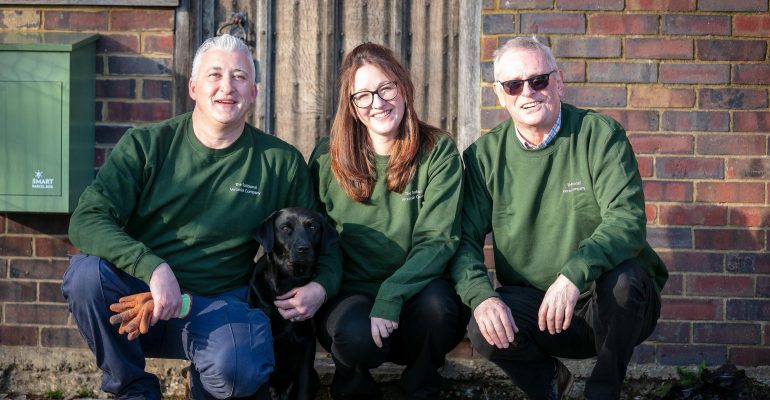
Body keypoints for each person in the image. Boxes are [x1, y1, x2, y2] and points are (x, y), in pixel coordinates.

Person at [61, 34, 339, 400]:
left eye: (240, 77)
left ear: (254, 92)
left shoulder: (280, 162)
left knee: (239, 370)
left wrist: (321, 287)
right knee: (85, 277)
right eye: (215, 75)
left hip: (218, 305)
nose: (227, 87)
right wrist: (153, 267)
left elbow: (322, 242)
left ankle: (206, 381)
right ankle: (133, 389)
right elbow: (86, 220)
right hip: (140, 304)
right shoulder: (147, 145)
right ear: (193, 87)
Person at [450, 36, 669, 400]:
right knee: (481, 324)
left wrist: (573, 273)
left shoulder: (599, 135)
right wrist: (480, 296)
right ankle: (550, 382)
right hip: (540, 310)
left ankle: (603, 391)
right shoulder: (483, 156)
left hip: (607, 303)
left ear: (559, 80)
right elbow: (462, 241)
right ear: (499, 93)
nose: (528, 93)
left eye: (539, 80)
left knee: (626, 281)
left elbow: (626, 221)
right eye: (514, 85)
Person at [309, 42, 469, 400]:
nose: (377, 104)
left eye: (385, 89)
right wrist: (321, 284)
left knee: (439, 309)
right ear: (351, 106)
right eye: (362, 95)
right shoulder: (325, 158)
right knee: (353, 335)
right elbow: (320, 238)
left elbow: (438, 239)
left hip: (417, 288)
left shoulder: (437, 151)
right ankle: (353, 389)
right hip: (350, 290)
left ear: (403, 87)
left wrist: (392, 294)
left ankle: (421, 387)